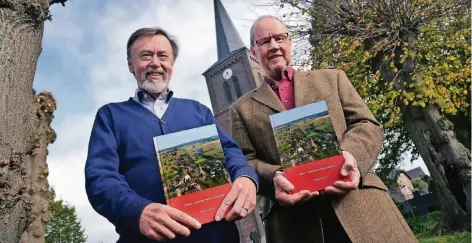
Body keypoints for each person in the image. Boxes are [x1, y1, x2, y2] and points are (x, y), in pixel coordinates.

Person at [229, 16, 417, 243]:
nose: (274, 46)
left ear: (289, 42)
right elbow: (245, 161)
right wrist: (275, 176)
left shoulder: (333, 78)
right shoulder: (241, 109)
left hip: (362, 207)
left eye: (280, 38)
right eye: (265, 41)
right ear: (253, 51)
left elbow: (367, 124)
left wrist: (351, 156)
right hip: (294, 226)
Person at [85, 27, 259, 243]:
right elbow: (100, 178)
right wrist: (136, 210)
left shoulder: (199, 111)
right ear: (131, 65)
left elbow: (230, 153)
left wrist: (246, 177)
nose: (155, 63)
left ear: (172, 65)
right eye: (146, 56)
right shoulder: (110, 116)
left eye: (163, 56)